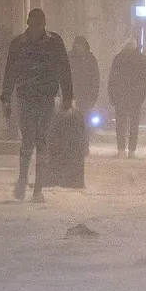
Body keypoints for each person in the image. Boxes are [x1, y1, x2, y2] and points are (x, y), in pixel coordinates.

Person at [1, 9, 73, 203]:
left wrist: (68, 96)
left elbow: (63, 68)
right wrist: (6, 96)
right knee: (28, 140)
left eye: (38, 24)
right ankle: (24, 178)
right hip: (25, 96)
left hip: (45, 96)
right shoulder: (19, 44)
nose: (35, 28)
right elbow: (11, 70)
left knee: (41, 140)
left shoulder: (53, 42)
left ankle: (38, 187)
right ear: (28, 23)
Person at [47, 36, 99, 189]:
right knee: (70, 124)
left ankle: (83, 145)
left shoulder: (91, 60)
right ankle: (72, 147)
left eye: (81, 45)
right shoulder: (68, 58)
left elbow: (95, 79)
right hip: (71, 95)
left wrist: (92, 96)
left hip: (85, 97)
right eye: (77, 45)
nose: (79, 47)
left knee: (83, 124)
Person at [108, 39, 146, 159]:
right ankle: (131, 151)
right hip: (135, 97)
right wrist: (141, 94)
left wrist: (113, 95)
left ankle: (121, 150)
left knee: (120, 124)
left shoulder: (119, 58)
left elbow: (112, 79)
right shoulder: (143, 60)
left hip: (121, 97)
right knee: (134, 124)